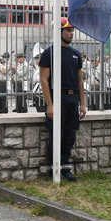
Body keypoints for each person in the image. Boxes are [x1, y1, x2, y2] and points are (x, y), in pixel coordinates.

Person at [39, 18, 86, 182]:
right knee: (56, 135)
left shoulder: (75, 54)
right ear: (59, 31)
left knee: (69, 136)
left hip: (73, 98)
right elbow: (44, 80)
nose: (71, 33)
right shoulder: (49, 53)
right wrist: (50, 105)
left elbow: (80, 80)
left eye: (72, 31)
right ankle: (54, 168)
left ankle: (66, 168)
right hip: (57, 97)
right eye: (68, 30)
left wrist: (83, 103)